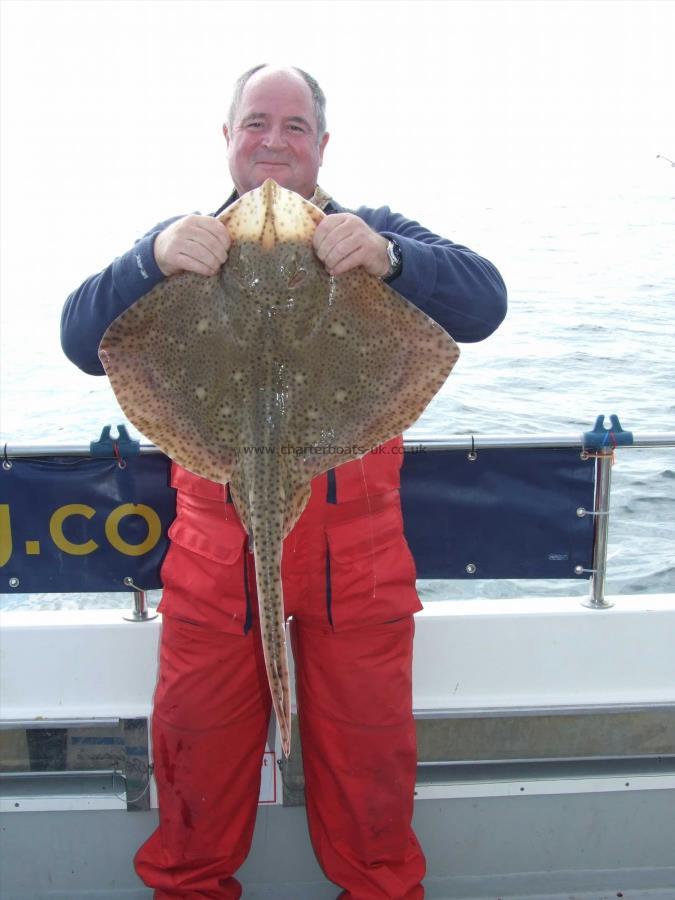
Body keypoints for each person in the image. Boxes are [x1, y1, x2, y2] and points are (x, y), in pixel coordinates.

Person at [61, 65, 507, 900]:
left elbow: (484, 305)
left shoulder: (372, 230)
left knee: (370, 774)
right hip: (214, 560)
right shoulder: (182, 241)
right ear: (228, 139)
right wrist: (149, 261)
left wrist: (390, 259)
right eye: (255, 123)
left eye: (294, 126)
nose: (274, 141)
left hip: (359, 563)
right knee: (194, 765)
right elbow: (81, 339)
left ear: (321, 146)